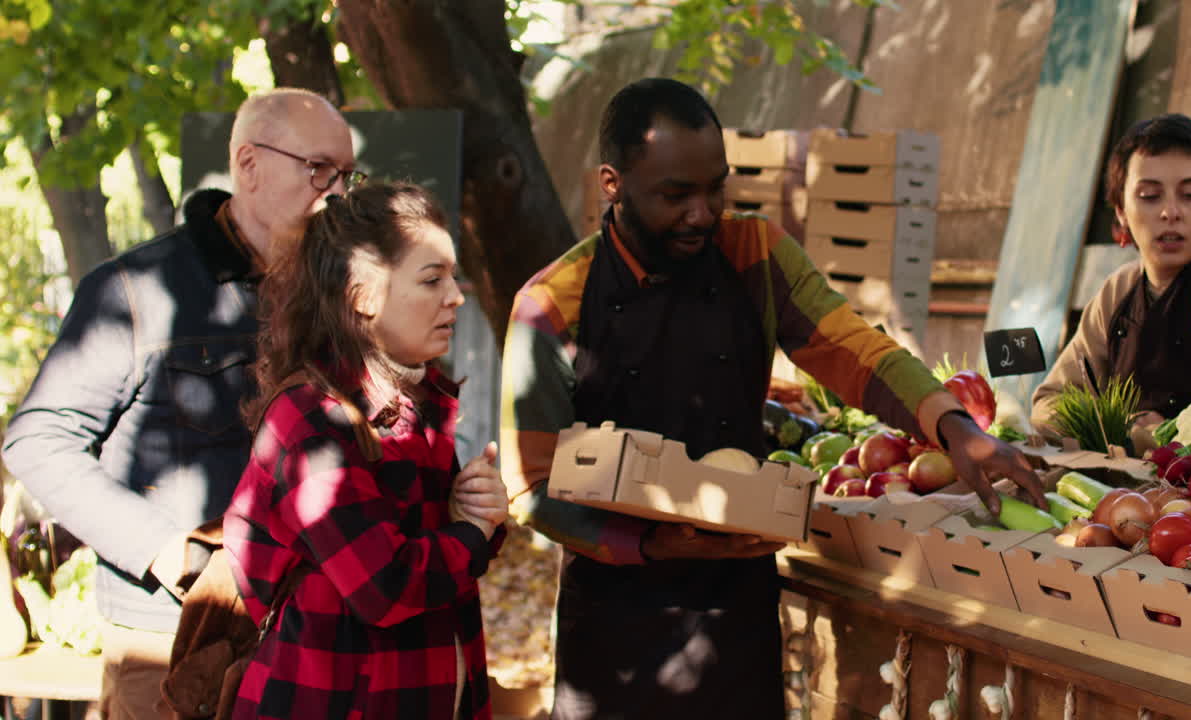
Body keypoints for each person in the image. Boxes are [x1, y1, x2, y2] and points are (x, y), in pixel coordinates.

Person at [498, 77, 1043, 720]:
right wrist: (658, 542)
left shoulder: (756, 251)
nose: (703, 213)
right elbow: (531, 485)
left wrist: (953, 425)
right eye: (676, 195)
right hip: (614, 620)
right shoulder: (549, 306)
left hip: (735, 604)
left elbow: (853, 347)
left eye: (716, 188)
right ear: (612, 184)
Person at [2, 87, 360, 718]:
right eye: (318, 169)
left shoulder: (339, 295)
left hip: (313, 633)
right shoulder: (133, 290)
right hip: (171, 638)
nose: (335, 193)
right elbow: (37, 442)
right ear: (248, 164)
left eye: (346, 176)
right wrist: (165, 549)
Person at [221, 182, 508, 719]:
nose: (456, 297)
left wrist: (475, 510)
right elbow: (385, 587)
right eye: (432, 279)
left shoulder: (416, 401)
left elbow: (438, 558)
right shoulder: (311, 417)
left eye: (453, 277)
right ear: (362, 294)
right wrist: (473, 533)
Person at [1031, 113, 1191, 435]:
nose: (1170, 212)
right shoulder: (1118, 290)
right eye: (1149, 196)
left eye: (1190, 195)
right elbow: (1049, 402)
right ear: (1121, 210)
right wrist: (1121, 429)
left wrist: (1164, 436)